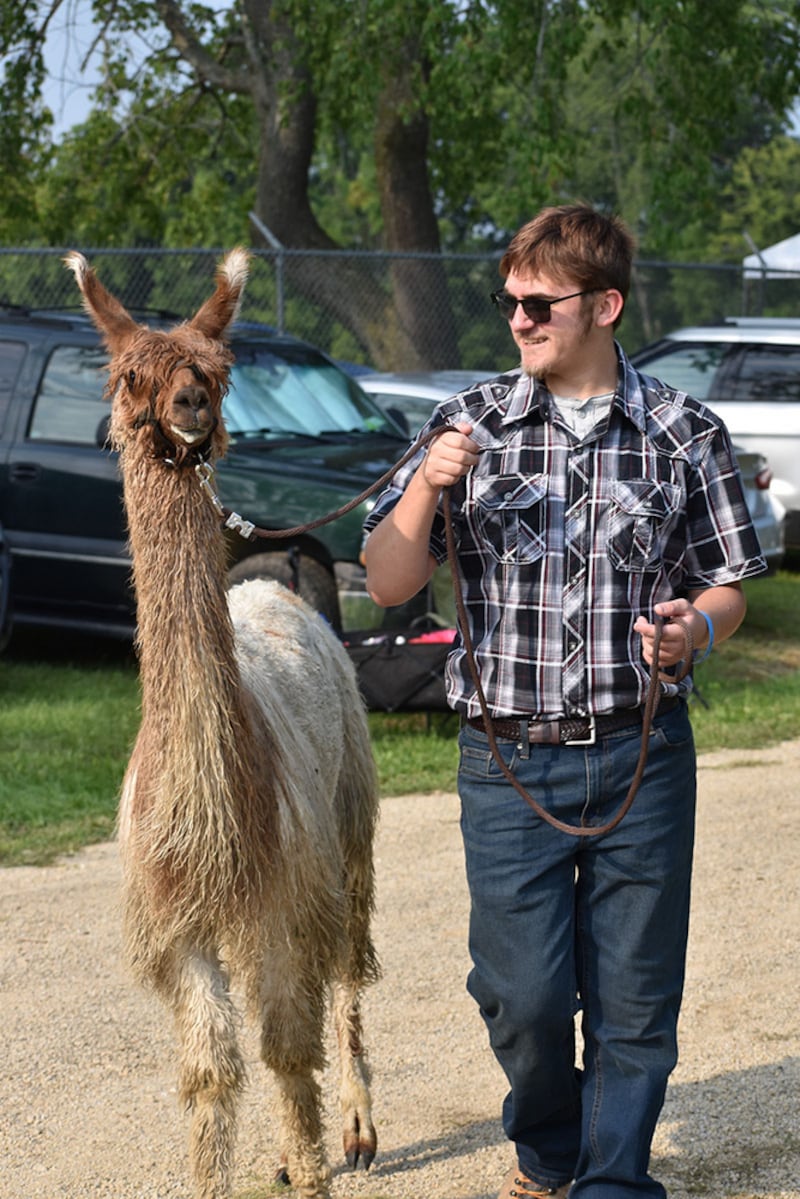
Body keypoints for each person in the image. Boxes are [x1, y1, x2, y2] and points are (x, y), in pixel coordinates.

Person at [362, 204, 766, 1199]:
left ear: (603, 305)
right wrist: (423, 489)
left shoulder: (683, 431)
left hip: (640, 754)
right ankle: (547, 1147)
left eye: (537, 302)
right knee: (523, 995)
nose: (517, 319)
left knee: (633, 998)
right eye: (507, 302)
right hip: (506, 763)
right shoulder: (465, 422)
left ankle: (611, 1177)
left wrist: (693, 631)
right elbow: (382, 581)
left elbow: (729, 583)